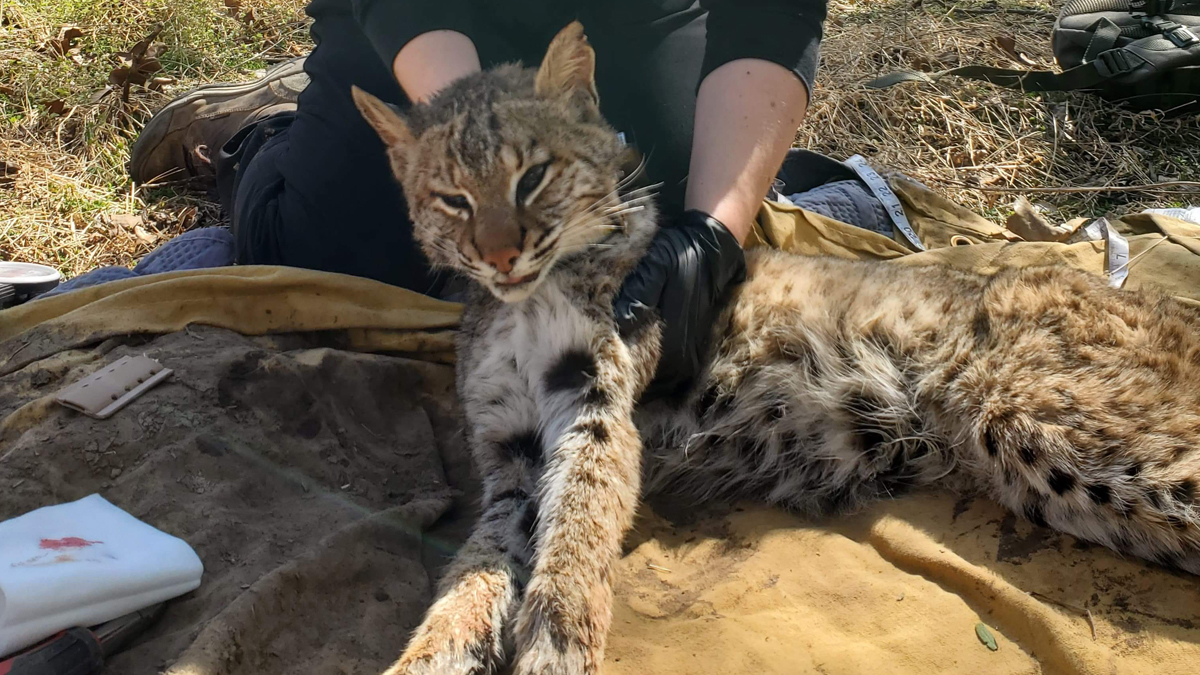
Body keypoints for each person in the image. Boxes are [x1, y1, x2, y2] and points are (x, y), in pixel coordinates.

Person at [127, 0, 826, 399]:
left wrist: (713, 229)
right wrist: (476, 162)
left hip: (637, 13)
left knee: (644, 220)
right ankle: (256, 134)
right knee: (341, 247)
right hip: (427, 16)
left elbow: (774, 12)